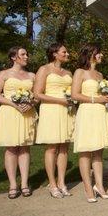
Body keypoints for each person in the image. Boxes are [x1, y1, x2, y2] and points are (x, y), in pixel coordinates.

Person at [0, 47, 37, 198]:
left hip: (27, 114)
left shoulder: (32, 75)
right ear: (13, 57)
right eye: (23, 54)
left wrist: (31, 103)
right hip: (10, 113)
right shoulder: (4, 74)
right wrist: (13, 103)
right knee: (11, 148)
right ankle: (12, 184)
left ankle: (24, 184)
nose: (26, 56)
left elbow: (37, 96)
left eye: (27, 54)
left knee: (24, 148)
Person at [71, 44, 108, 202]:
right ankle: (88, 189)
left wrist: (106, 97)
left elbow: (103, 94)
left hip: (100, 112)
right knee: (85, 151)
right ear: (91, 54)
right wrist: (97, 99)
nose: (101, 55)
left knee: (98, 151)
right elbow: (74, 94)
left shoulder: (100, 75)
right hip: (87, 112)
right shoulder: (80, 72)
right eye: (99, 53)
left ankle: (100, 186)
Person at [34, 43, 74, 198]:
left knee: (64, 147)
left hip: (67, 111)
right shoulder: (44, 69)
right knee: (52, 147)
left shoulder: (69, 72)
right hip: (51, 110)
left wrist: (71, 101)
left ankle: (62, 182)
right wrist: (60, 101)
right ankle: (52, 183)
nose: (67, 54)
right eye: (64, 51)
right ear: (54, 53)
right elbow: (37, 94)